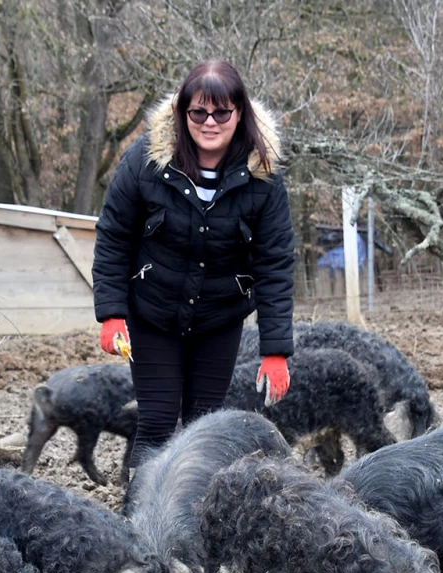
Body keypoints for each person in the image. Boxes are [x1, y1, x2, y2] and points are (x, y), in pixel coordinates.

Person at [91, 59, 296, 472]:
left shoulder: (264, 177)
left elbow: (274, 263)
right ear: (184, 113)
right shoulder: (143, 162)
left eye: (221, 112)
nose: (209, 122)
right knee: (158, 420)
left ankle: (189, 515)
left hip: (219, 317)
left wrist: (275, 351)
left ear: (240, 113)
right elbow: (114, 235)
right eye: (198, 112)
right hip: (152, 312)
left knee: (204, 427)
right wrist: (111, 313)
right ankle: (140, 520)